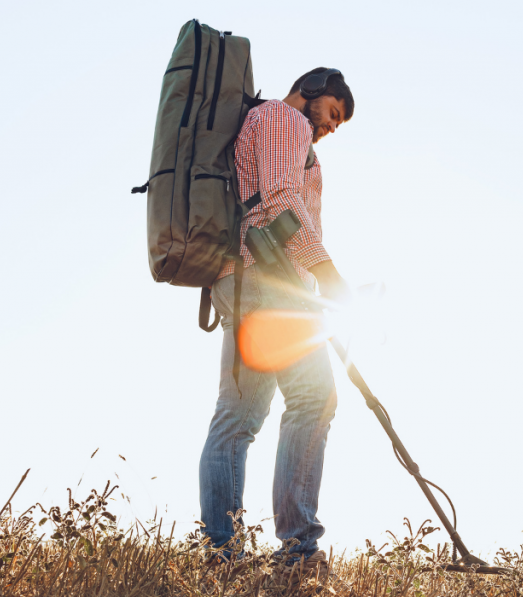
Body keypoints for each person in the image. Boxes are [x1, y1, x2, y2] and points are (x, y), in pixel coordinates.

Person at [198, 67, 355, 573]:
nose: (329, 126)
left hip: (240, 281)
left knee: (237, 420)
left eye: (337, 124)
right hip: (263, 282)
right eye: (331, 111)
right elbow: (281, 204)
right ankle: (297, 551)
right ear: (310, 90)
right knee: (314, 397)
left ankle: (222, 556)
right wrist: (328, 277)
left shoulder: (277, 128)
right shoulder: (284, 119)